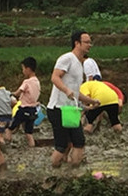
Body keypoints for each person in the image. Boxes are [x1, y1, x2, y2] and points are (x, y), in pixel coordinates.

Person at [47, 31, 100, 168]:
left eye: (90, 42)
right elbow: (55, 77)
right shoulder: (67, 58)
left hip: (70, 110)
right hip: (58, 108)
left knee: (78, 141)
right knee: (62, 145)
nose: (90, 45)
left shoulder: (79, 64)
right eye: (87, 42)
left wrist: (91, 101)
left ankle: (73, 173)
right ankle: (51, 173)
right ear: (77, 43)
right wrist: (66, 90)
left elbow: (76, 93)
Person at [6, 57, 41, 147]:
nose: (23, 71)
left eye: (23, 69)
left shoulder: (27, 82)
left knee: (10, 128)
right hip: (33, 110)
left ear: (28, 69)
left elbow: (18, 93)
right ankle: (32, 147)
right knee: (29, 133)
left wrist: (10, 93)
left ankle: (6, 143)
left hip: (23, 109)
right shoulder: (37, 81)